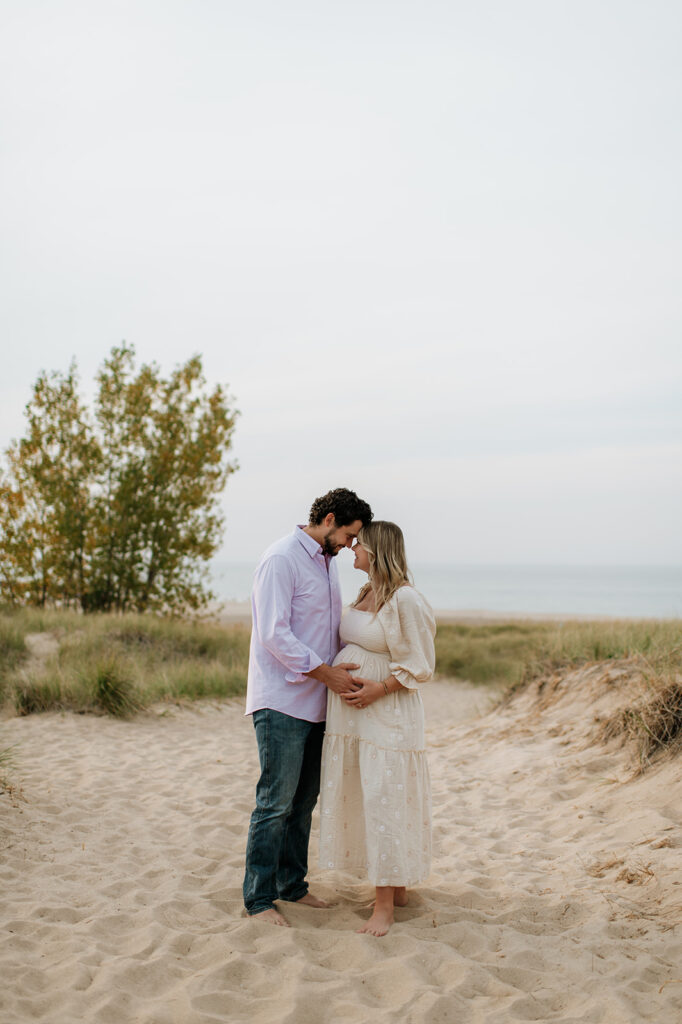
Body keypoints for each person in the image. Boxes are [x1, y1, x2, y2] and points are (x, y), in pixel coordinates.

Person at [243, 487, 373, 927]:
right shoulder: (281, 558)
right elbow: (274, 634)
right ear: (330, 518)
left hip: (319, 703)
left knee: (303, 803)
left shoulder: (326, 563)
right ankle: (259, 900)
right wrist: (328, 674)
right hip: (281, 700)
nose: (350, 546)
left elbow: (324, 631)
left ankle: (291, 887)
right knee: (275, 803)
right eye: (349, 535)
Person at [319, 520, 436, 936]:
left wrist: (378, 688)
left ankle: (384, 907)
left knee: (385, 796)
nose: (352, 550)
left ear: (377, 550)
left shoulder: (405, 599)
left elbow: (421, 665)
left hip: (387, 714)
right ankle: (396, 888)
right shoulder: (368, 591)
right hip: (355, 718)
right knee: (370, 793)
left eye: (360, 545)